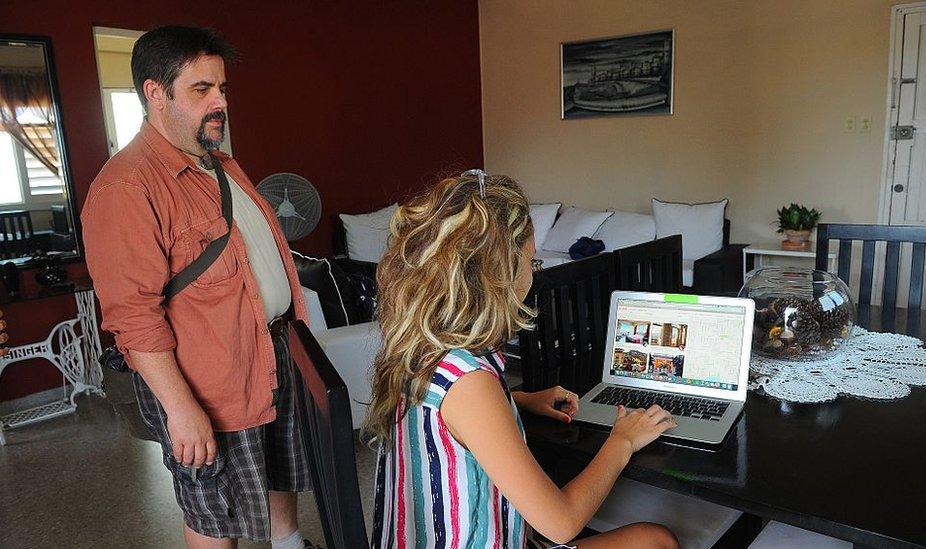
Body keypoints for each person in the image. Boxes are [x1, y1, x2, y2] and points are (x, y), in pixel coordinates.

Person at [82, 26, 318, 549]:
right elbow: (132, 317)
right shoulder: (127, 187)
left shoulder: (219, 162)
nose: (220, 102)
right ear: (154, 93)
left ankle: (290, 544)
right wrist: (181, 409)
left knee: (280, 470)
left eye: (222, 89)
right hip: (209, 381)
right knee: (215, 507)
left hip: (270, 350)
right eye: (201, 90)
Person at [365, 171, 679, 548]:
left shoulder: (419, 344)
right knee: (657, 540)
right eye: (531, 262)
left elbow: (441, 418)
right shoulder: (470, 383)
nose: (532, 274)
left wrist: (518, 400)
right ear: (497, 273)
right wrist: (622, 441)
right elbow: (561, 523)